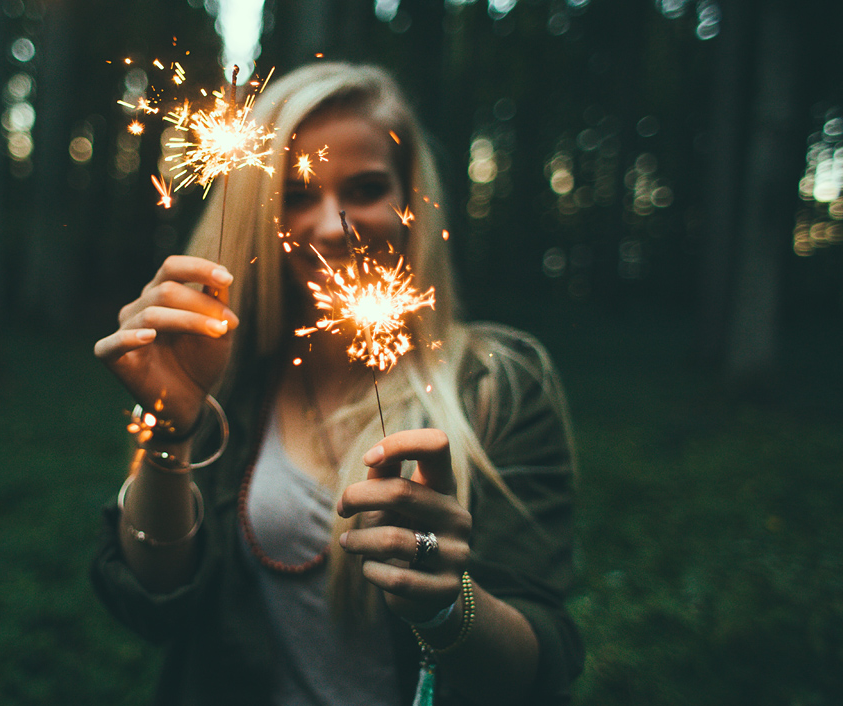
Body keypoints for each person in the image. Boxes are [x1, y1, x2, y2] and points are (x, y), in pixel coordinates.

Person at [91, 62, 582, 706]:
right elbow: (153, 598)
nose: (331, 226)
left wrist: (447, 602)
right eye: (296, 194)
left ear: (411, 201)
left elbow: (543, 659)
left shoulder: (499, 383)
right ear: (257, 211)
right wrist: (171, 426)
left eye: (366, 187)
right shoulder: (230, 376)